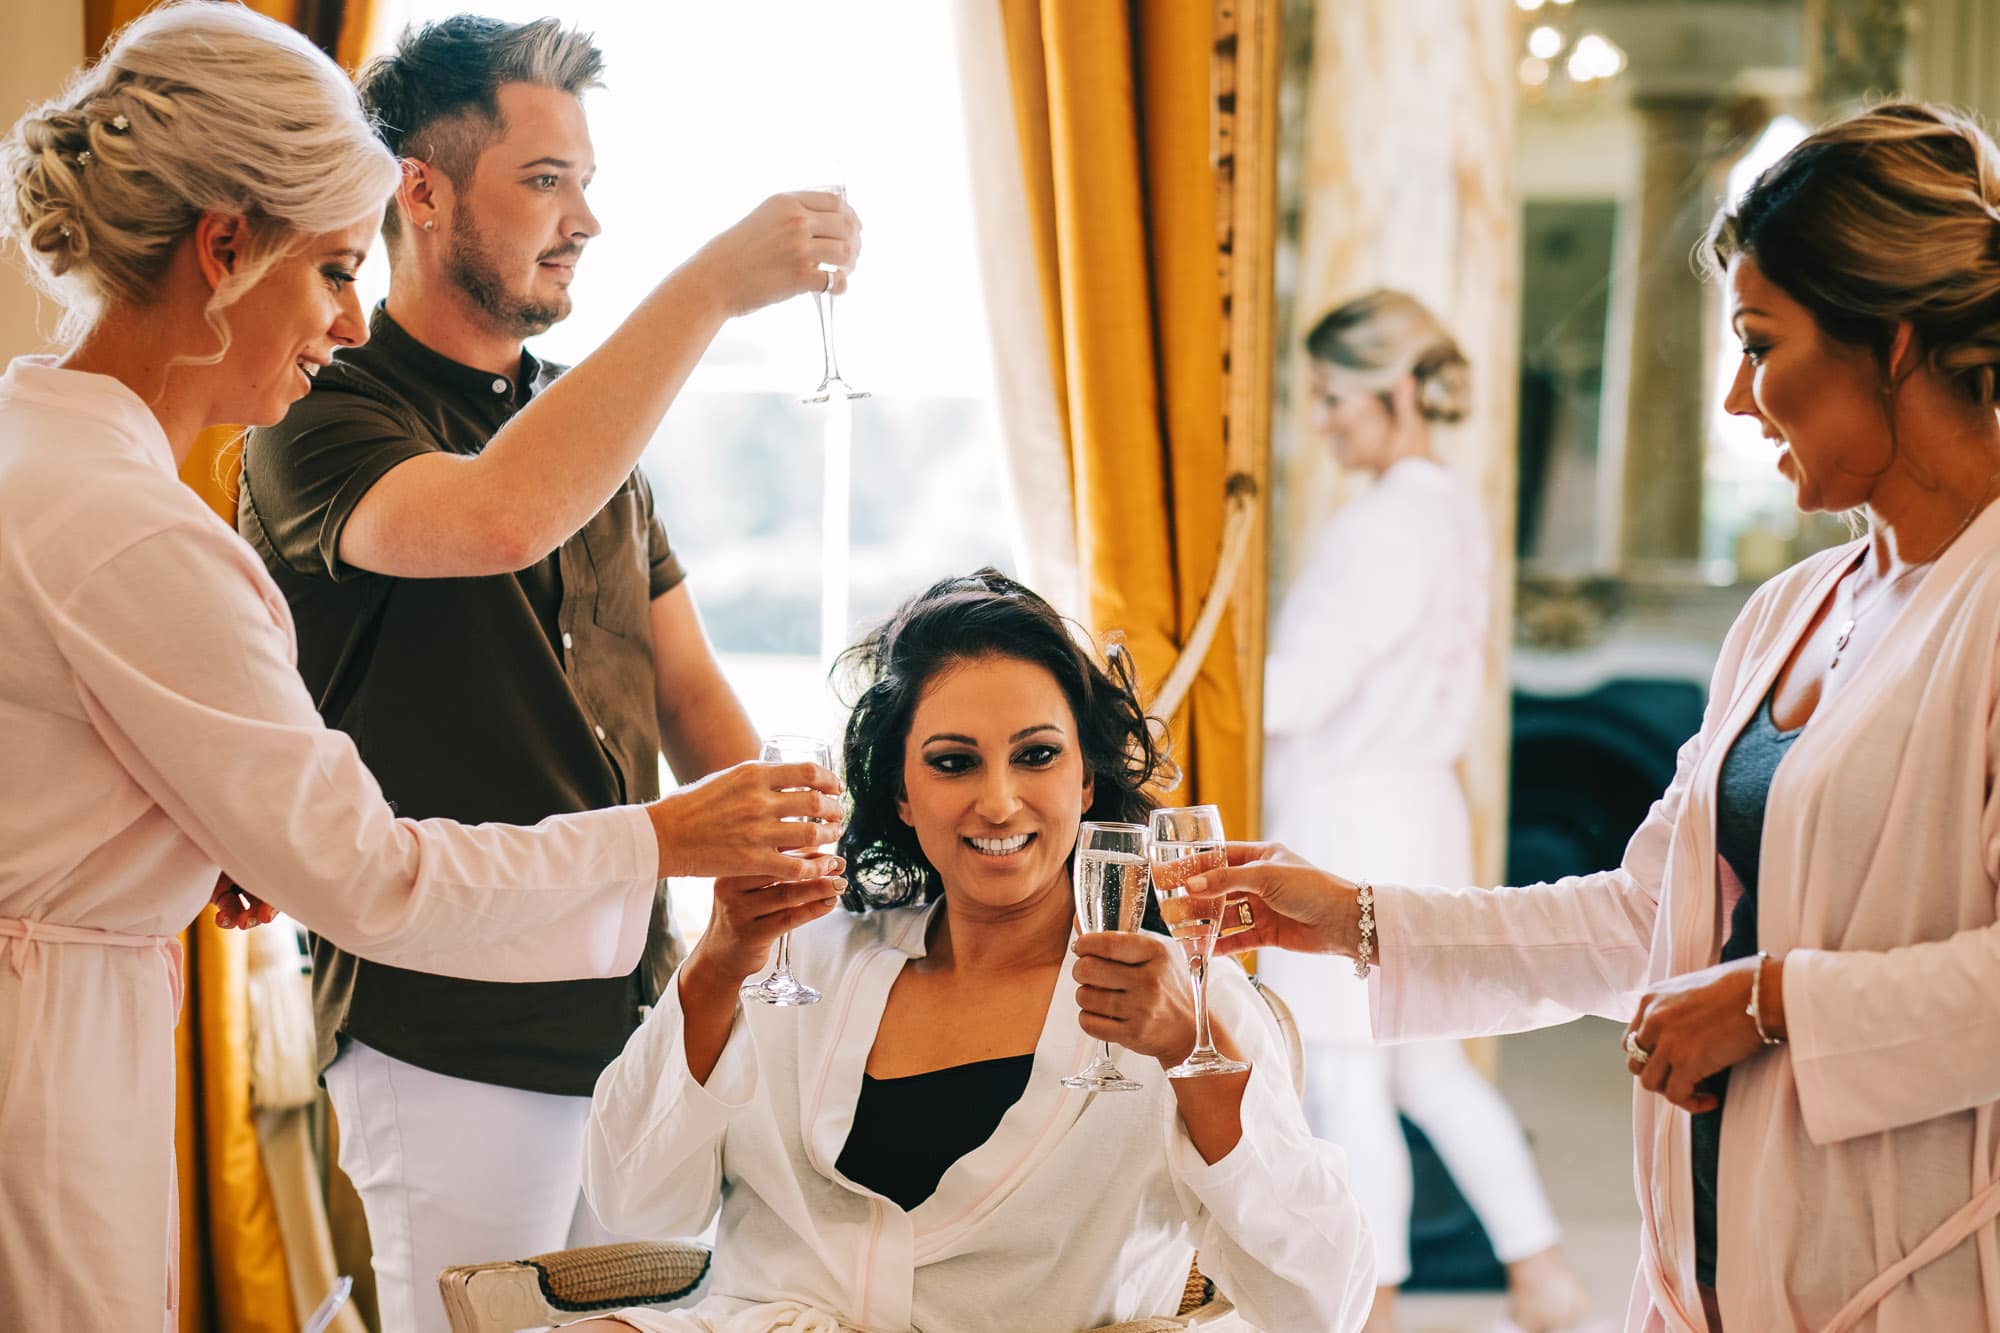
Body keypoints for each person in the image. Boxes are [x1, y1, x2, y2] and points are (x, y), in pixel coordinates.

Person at [0, 6, 840, 1327]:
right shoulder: (197, 492)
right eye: (335, 266)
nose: (342, 315)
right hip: (345, 1029)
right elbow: (380, 871)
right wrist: (661, 837)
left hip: (611, 998)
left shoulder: (55, 463)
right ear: (226, 248)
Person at [1197, 101, 2000, 1333]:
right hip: (1702, 1285)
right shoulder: (1788, 611)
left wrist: (1772, 1000)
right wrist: (1349, 917)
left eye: (1757, 342)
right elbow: (1644, 919)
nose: (1735, 400)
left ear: (1886, 344)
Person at [571, 570, 1376, 1333]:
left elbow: (1323, 1299)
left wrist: (1194, 1060)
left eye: (1037, 755)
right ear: (901, 794)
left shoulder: (1188, 1003)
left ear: (1087, 782)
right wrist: (717, 960)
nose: (998, 800)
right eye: (954, 762)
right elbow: (631, 1194)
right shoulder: (801, 960)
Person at [1259, 289, 1589, 1332]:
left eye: (1329, 395)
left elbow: (1297, 689)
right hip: (1416, 812)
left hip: (1355, 818)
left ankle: (1372, 1304)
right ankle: (1541, 1276)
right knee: (1423, 1067)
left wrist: (1175, 691)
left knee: (1349, 1080)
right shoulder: (1446, 508)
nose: (1319, 420)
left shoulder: (1383, 524)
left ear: (1392, 390)